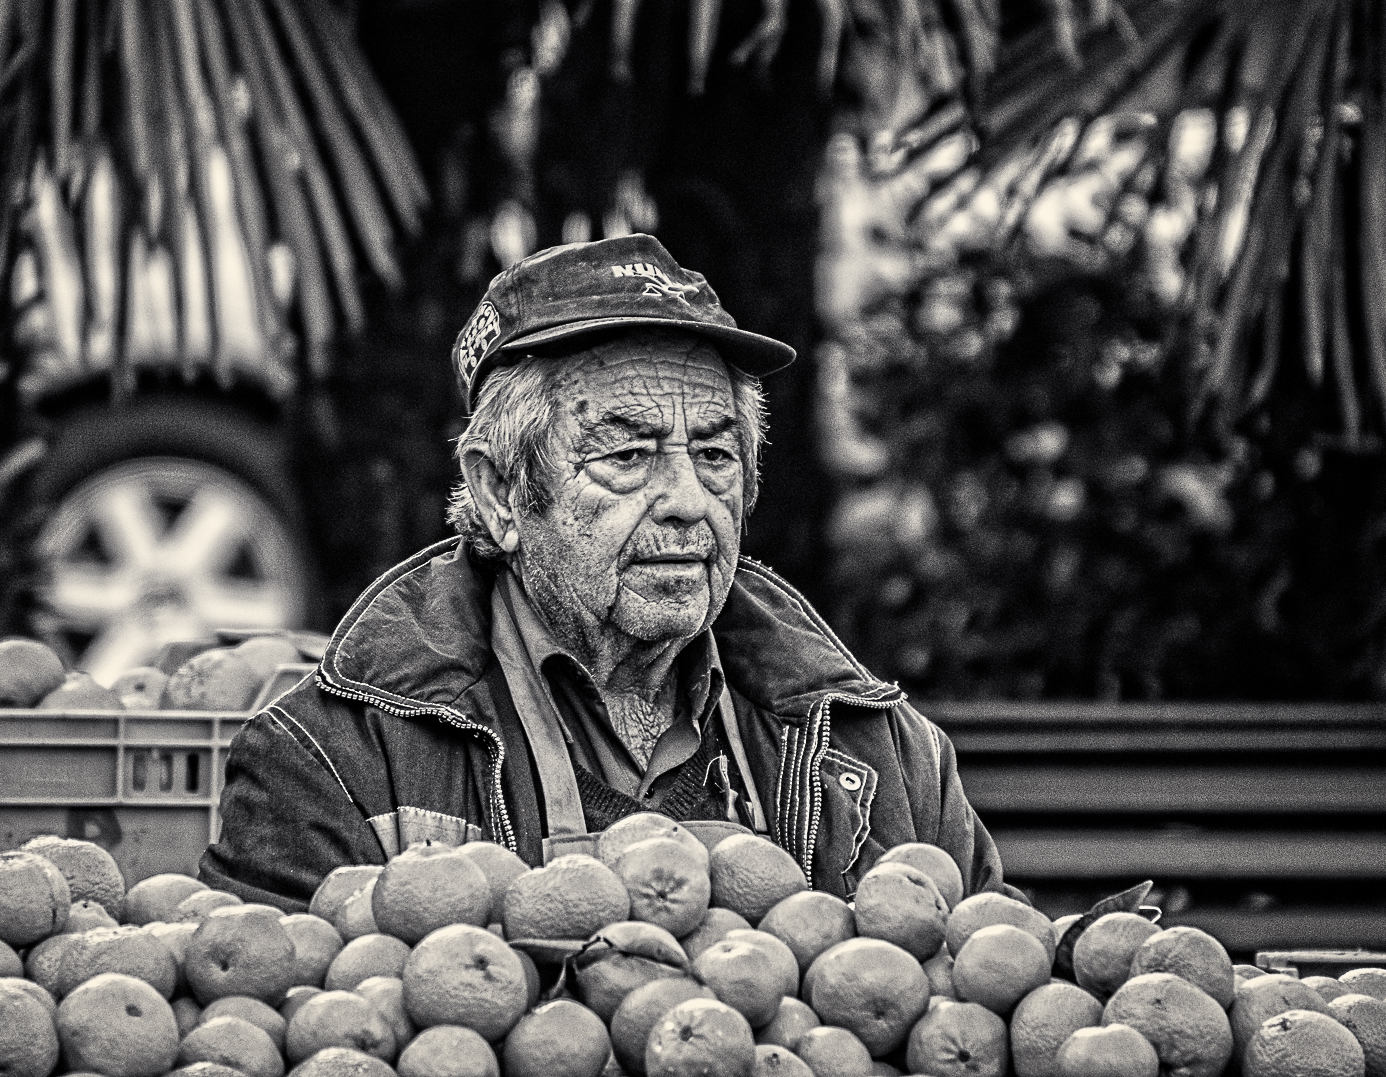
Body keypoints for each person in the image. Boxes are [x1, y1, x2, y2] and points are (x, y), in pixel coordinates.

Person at [200, 233, 1005, 910]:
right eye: (627, 455)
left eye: (717, 455)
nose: (689, 502)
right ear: (501, 490)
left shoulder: (884, 757)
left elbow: (981, 1003)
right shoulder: (334, 758)